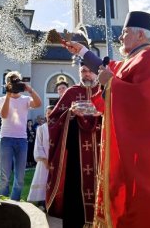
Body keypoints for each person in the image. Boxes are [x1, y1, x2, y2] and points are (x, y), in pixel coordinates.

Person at [63, 11, 150, 228]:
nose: (120, 37)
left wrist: (111, 83)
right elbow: (107, 69)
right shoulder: (134, 58)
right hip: (134, 149)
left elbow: (143, 98)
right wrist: (83, 51)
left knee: (139, 208)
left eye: (124, 33)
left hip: (144, 153)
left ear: (140, 35)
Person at [46, 63, 103, 227]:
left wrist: (100, 112)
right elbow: (54, 119)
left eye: (89, 71)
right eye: (82, 71)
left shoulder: (105, 92)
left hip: (101, 150)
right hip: (77, 154)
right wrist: (70, 114)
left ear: (96, 73)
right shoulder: (72, 93)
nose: (86, 74)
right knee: (75, 191)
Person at [0, 71, 41, 201]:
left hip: (21, 140)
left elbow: (38, 104)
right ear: (7, 84)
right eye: (11, 83)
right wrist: (8, 95)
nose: (14, 86)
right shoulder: (2, 99)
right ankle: (3, 201)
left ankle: (15, 202)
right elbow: (4, 115)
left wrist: (30, 89)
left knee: (20, 176)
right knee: (4, 175)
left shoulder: (26, 99)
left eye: (17, 83)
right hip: (6, 138)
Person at [27, 105, 54, 208]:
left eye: (52, 113)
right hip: (44, 160)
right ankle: (42, 202)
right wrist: (45, 160)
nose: (50, 115)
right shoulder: (41, 128)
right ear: (45, 115)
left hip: (55, 159)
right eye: (48, 113)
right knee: (43, 179)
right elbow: (38, 145)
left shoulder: (59, 127)